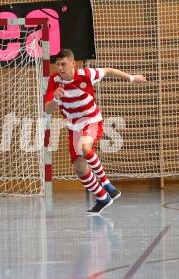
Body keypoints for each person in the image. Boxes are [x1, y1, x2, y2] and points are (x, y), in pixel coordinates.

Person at [44, 49, 147, 214]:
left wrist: (132, 78)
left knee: (86, 148)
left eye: (64, 64)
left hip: (92, 120)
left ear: (73, 63)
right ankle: (102, 197)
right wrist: (56, 98)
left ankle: (107, 184)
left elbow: (108, 70)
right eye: (58, 65)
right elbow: (48, 110)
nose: (60, 68)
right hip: (74, 126)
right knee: (79, 167)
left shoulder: (86, 74)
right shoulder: (53, 81)